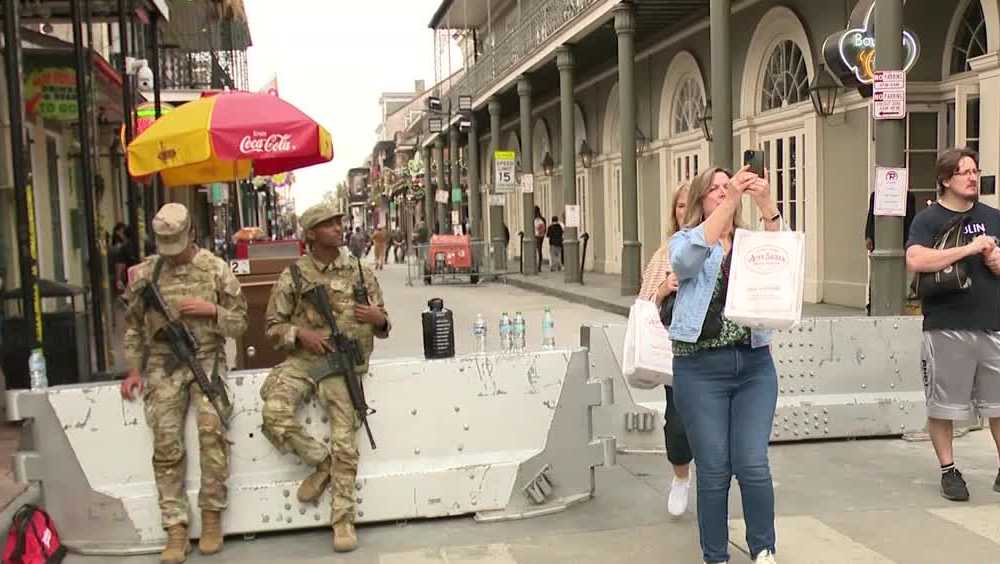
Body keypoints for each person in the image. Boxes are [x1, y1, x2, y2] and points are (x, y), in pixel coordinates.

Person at [119, 203, 247, 564]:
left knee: (212, 431)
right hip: (163, 362)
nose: (173, 253)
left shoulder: (215, 269)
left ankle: (211, 516)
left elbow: (240, 323)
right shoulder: (147, 273)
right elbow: (133, 327)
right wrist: (134, 370)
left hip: (206, 357)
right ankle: (175, 528)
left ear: (191, 233)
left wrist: (212, 311)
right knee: (166, 443)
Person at [260, 201, 391, 553]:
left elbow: (384, 323)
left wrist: (378, 318)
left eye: (338, 221)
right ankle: (323, 462)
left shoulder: (360, 271)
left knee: (345, 436)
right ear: (312, 234)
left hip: (341, 364)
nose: (337, 227)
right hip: (305, 361)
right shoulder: (294, 275)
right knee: (274, 411)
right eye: (329, 224)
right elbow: (271, 327)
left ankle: (343, 518)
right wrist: (300, 334)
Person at [669, 166, 781, 564]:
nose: (724, 191)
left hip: (753, 365)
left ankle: (763, 549)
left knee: (753, 463)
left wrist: (767, 205)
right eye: (715, 189)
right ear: (701, 200)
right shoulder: (686, 240)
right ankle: (715, 556)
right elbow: (684, 263)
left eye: (728, 186)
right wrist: (730, 201)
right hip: (699, 368)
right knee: (714, 468)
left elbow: (783, 261)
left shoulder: (750, 242)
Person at [905, 147, 1000, 503]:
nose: (973, 178)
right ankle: (949, 470)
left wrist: (995, 260)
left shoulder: (993, 217)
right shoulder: (928, 219)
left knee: (998, 405)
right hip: (946, 325)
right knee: (943, 405)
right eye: (964, 172)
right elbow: (916, 260)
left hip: (992, 323)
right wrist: (968, 249)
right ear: (946, 179)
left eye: (975, 171)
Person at [638, 183, 692, 517]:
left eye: (691, 204)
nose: (685, 212)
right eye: (680, 206)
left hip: (714, 349)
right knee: (678, 421)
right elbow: (643, 306)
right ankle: (681, 476)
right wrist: (662, 289)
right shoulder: (665, 253)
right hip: (677, 353)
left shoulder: (722, 246)